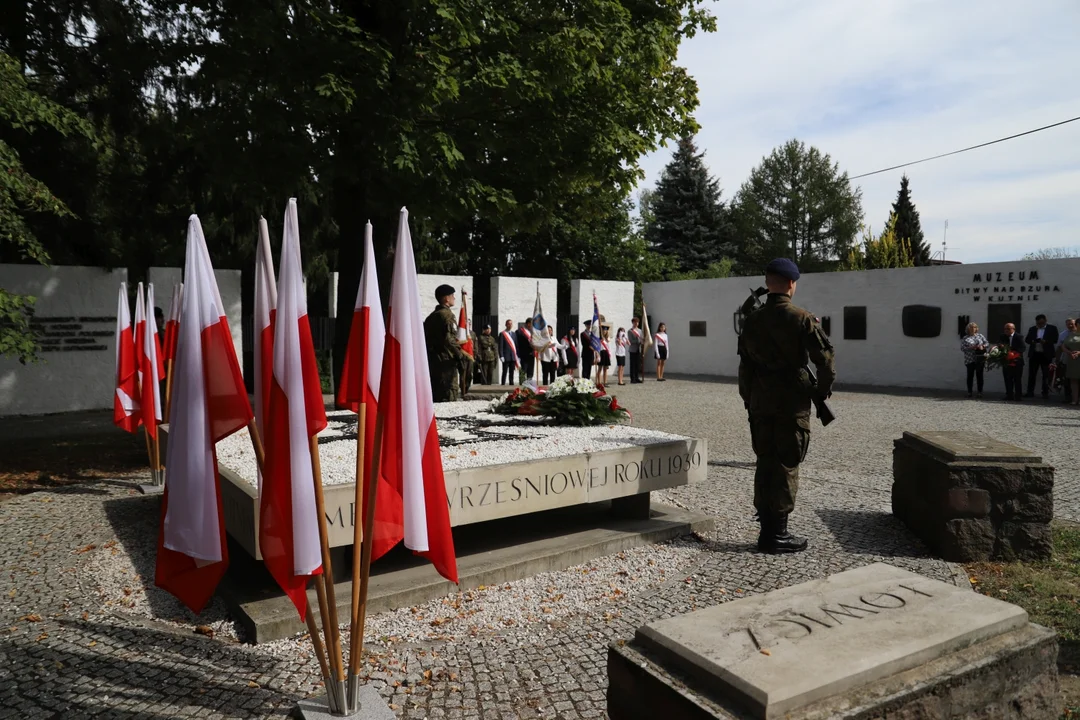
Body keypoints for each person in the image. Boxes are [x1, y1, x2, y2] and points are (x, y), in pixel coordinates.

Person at [738, 258, 835, 554]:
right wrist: (820, 391)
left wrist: (748, 399)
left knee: (765, 461)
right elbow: (826, 361)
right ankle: (776, 535)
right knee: (787, 464)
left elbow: (745, 367)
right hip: (792, 403)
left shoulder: (751, 319)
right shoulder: (801, 318)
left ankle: (766, 529)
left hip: (760, 404)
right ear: (792, 284)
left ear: (768, 283)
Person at [423, 284, 469, 402]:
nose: (454, 298)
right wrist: (460, 355)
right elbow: (450, 339)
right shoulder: (447, 315)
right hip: (446, 361)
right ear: (446, 298)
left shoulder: (431, 317)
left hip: (434, 360)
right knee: (449, 394)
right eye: (452, 295)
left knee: (436, 393)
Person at [1025, 314, 1060, 398]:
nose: (1040, 325)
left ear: (1045, 321)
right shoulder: (1032, 329)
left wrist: (1046, 342)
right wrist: (1033, 341)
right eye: (1038, 323)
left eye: (1042, 323)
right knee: (1032, 374)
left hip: (1046, 354)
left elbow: (1055, 340)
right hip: (1035, 354)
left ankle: (1045, 393)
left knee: (1046, 374)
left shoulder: (1052, 328)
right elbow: (1027, 340)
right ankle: (1030, 392)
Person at [960, 322, 988, 398]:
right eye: (971, 327)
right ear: (968, 329)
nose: (973, 329)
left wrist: (983, 346)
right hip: (970, 359)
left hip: (980, 358)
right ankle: (969, 392)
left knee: (980, 376)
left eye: (974, 327)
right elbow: (962, 348)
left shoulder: (980, 336)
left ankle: (980, 392)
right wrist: (970, 348)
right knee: (970, 376)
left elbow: (987, 343)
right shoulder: (965, 338)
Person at [1000, 322, 1026, 401]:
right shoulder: (1002, 336)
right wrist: (1001, 347)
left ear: (1013, 329)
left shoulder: (1018, 336)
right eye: (1005, 329)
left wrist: (1013, 353)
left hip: (1017, 361)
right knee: (1007, 379)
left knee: (1017, 379)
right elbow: (1000, 345)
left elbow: (1023, 348)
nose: (1006, 331)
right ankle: (1009, 395)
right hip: (1006, 361)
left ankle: (1018, 396)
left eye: (1008, 329)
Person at [1058, 318, 1076, 402]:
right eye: (1068, 324)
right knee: (1066, 379)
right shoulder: (1062, 334)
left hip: (1077, 359)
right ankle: (1068, 397)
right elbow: (1059, 347)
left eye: (1072, 323)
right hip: (1066, 358)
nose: (1070, 325)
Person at [1062, 329, 1080, 405]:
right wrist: (1069, 352)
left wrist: (1079, 352)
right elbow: (1063, 345)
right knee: (1073, 379)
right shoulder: (1071, 335)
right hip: (1073, 359)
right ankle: (1074, 400)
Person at [515, 317, 536, 383]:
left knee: (530, 372)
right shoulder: (519, 331)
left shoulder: (533, 332)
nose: (532, 326)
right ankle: (522, 387)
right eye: (532, 324)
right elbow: (517, 344)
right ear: (528, 324)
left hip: (531, 355)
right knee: (523, 372)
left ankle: (529, 387)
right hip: (523, 355)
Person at [498, 319, 518, 385]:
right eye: (508, 324)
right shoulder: (502, 334)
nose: (510, 325)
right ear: (506, 325)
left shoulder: (514, 334)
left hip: (512, 357)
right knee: (504, 372)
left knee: (511, 372)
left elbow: (516, 346)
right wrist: (501, 356)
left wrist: (517, 356)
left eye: (511, 324)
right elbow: (500, 346)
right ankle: (503, 384)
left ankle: (511, 384)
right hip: (505, 357)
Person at [628, 317, 644, 384]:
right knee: (633, 364)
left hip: (638, 349)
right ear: (632, 323)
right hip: (632, 349)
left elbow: (642, 338)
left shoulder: (640, 331)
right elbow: (631, 341)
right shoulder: (630, 331)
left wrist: (642, 341)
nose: (636, 323)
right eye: (635, 322)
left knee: (637, 364)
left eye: (637, 322)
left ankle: (637, 377)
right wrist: (638, 340)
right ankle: (632, 378)